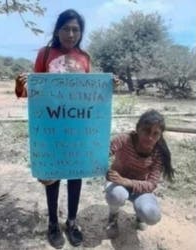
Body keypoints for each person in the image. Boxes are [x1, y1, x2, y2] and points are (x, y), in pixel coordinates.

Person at [14, 9, 90, 249]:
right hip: (50, 125)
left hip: (76, 125)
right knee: (52, 175)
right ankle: (53, 223)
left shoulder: (85, 57)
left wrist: (109, 86)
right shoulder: (45, 54)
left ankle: (72, 221)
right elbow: (35, 94)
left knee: (76, 174)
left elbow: (91, 94)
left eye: (75, 29)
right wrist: (20, 86)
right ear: (57, 30)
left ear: (81, 32)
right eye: (66, 28)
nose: (71, 34)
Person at [105, 109, 175, 238]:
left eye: (155, 134)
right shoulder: (124, 140)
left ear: (160, 136)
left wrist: (127, 182)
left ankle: (140, 216)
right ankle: (113, 216)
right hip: (117, 183)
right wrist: (105, 172)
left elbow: (152, 184)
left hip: (139, 188)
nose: (150, 137)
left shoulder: (158, 153)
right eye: (146, 131)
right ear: (138, 129)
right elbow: (102, 155)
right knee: (116, 195)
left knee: (152, 216)